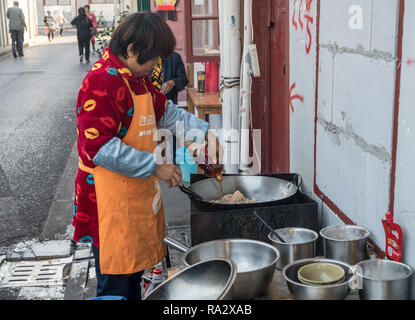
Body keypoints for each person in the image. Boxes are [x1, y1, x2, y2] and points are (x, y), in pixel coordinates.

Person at [73, 12, 222, 300]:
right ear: (131, 50)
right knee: (116, 286)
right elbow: (99, 148)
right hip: (109, 203)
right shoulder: (102, 82)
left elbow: (165, 112)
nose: (156, 65)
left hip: (134, 194)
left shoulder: (136, 79)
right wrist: (155, 166)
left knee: (132, 277)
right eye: (153, 58)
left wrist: (204, 133)